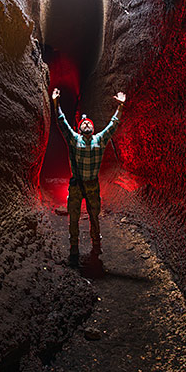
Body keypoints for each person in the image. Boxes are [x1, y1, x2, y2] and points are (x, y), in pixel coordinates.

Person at [51, 87, 126, 264]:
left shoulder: (100, 139)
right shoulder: (74, 139)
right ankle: (74, 248)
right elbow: (62, 122)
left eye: (89, 124)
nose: (86, 124)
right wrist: (56, 103)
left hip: (92, 185)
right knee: (74, 217)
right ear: (79, 128)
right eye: (83, 124)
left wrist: (121, 106)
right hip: (76, 185)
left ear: (93, 128)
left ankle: (96, 245)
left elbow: (113, 124)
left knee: (94, 216)